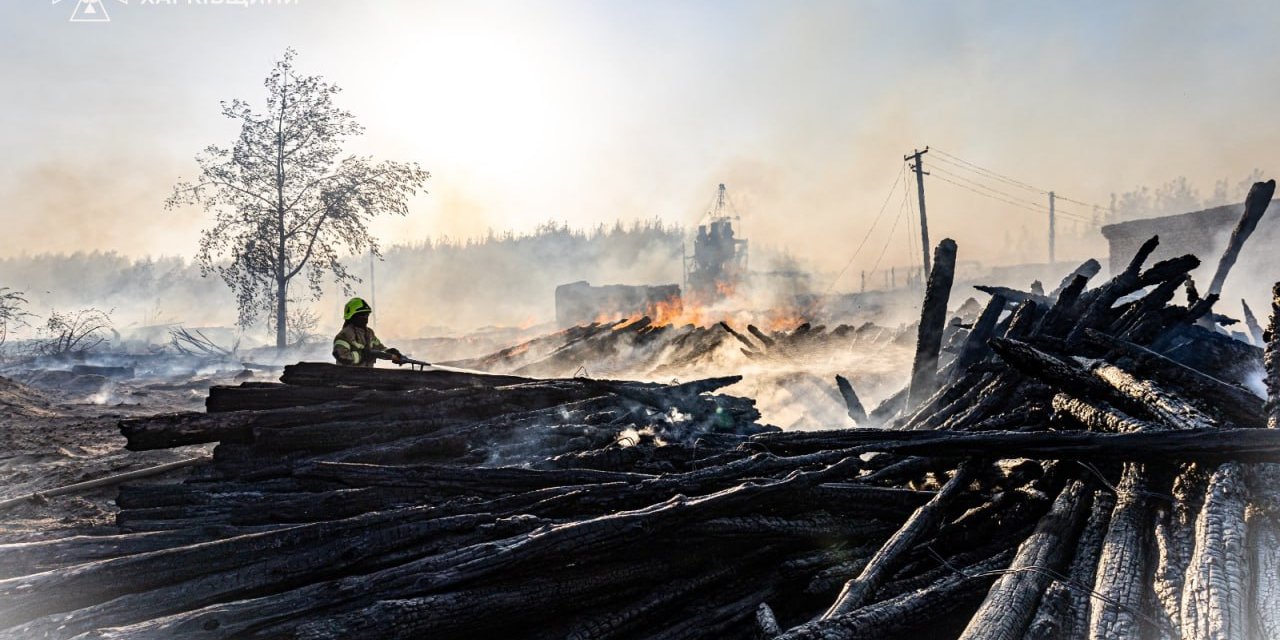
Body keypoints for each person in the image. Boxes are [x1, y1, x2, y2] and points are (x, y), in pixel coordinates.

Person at [332, 297, 402, 367]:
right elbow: (342, 356)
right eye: (362, 314)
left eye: (367, 314)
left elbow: (379, 349)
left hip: (368, 376)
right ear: (352, 316)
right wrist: (362, 355)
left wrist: (391, 352)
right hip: (348, 376)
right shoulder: (344, 335)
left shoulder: (369, 333)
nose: (365, 317)